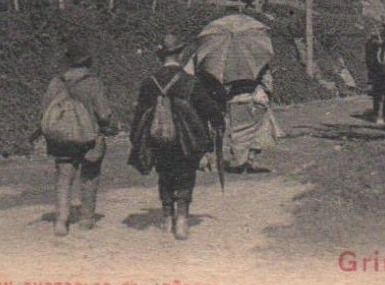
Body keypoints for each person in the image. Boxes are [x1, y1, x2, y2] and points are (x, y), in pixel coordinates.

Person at [128, 33, 224, 240]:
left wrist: (136, 139)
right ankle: (182, 219)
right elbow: (210, 110)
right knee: (185, 175)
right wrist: (218, 124)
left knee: (165, 175)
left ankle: (166, 219)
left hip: (158, 139)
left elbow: (139, 115)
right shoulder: (191, 82)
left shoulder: (149, 83)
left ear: (160, 56)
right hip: (186, 140)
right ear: (180, 54)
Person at [40, 42, 117, 236]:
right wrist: (108, 126)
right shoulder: (93, 83)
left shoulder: (56, 82)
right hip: (89, 137)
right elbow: (104, 114)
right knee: (90, 175)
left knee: (64, 177)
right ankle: (86, 219)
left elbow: (45, 111)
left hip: (62, 138)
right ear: (88, 63)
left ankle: (61, 220)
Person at [222, 66, 283, 172]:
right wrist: (267, 92)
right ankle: (250, 159)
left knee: (239, 131)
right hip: (255, 97)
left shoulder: (227, 62)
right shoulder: (255, 59)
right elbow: (267, 81)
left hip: (236, 98)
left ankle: (241, 161)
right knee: (259, 130)